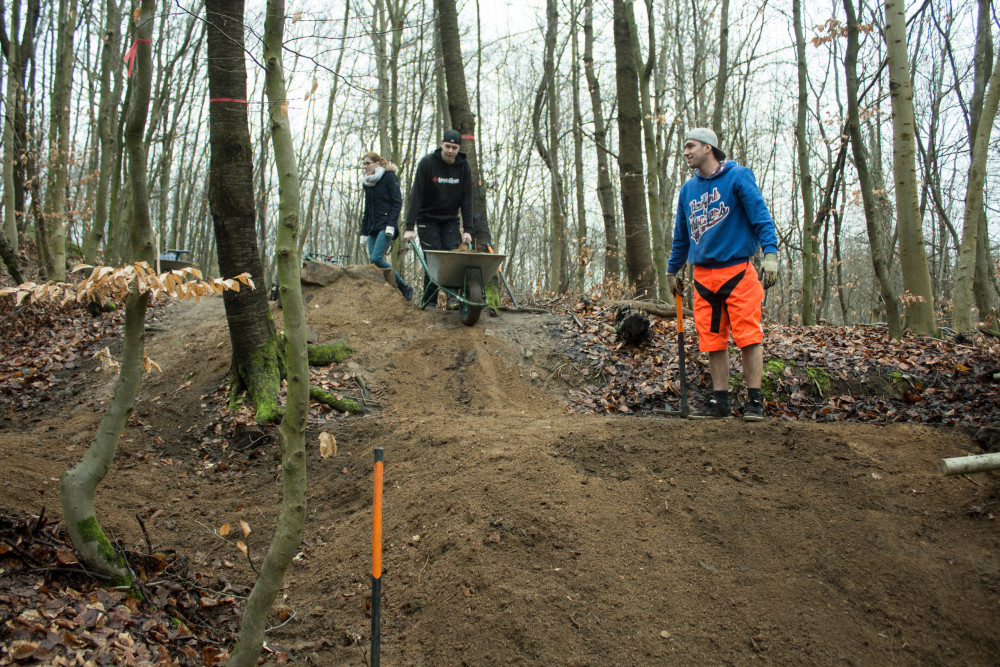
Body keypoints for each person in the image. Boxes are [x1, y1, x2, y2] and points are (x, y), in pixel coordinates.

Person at [666, 127, 779, 422]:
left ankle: (754, 401)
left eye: (690, 146)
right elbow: (681, 235)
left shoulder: (738, 176)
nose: (686, 151)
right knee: (713, 340)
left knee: (748, 337)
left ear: (708, 148)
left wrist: (770, 254)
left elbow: (760, 217)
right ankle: (720, 401)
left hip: (738, 271)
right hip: (703, 278)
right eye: (684, 147)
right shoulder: (687, 190)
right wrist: (672, 268)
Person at [402, 129, 483, 308]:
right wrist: (409, 226)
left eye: (454, 148)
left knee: (452, 259)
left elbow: (467, 200)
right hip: (427, 219)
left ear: (458, 149)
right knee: (433, 260)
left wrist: (468, 230)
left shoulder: (463, 166)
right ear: (441, 145)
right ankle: (430, 302)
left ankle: (453, 299)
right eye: (447, 146)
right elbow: (416, 195)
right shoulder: (427, 163)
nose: (450, 151)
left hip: (450, 220)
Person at [359, 151, 414, 301]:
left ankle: (404, 285)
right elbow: (367, 209)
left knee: (376, 258)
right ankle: (386, 293)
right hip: (372, 227)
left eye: (367, 163)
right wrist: (363, 232)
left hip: (386, 226)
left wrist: (391, 224)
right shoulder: (368, 183)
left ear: (377, 164)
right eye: (363, 164)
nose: (365, 166)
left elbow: (397, 202)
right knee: (373, 263)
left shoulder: (389, 177)